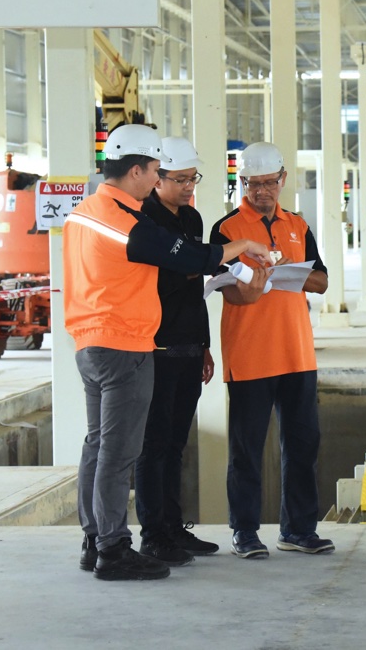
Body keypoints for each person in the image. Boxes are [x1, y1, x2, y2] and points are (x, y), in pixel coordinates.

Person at [65, 124, 272, 581]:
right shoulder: (123, 221)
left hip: (91, 342)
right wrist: (242, 245)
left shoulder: (84, 212)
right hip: (124, 345)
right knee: (120, 452)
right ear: (138, 171)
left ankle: (94, 541)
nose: (161, 179)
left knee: (99, 444)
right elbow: (186, 257)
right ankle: (113, 549)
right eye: (158, 171)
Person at [209, 141, 334, 559]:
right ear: (241, 182)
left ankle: (299, 529)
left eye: (268, 183)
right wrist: (257, 285)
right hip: (250, 355)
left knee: (303, 444)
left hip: (297, 353)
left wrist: (288, 273)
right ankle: (244, 532)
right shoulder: (227, 230)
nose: (261, 191)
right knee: (246, 449)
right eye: (252, 184)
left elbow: (321, 281)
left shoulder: (298, 225)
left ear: (282, 179)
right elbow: (230, 293)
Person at [133, 136, 220, 567]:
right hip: (157, 347)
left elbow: (194, 284)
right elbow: (161, 282)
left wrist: (204, 345)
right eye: (181, 179)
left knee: (176, 443)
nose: (189, 187)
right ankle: (152, 535)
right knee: (154, 445)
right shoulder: (145, 220)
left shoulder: (192, 218)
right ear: (157, 177)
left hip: (188, 345)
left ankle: (173, 527)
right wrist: (191, 267)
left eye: (193, 179)